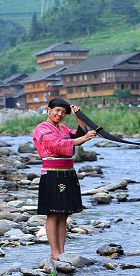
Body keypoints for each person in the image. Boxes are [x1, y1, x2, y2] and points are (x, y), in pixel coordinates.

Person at [33, 98, 96, 260]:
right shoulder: (42, 129)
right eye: (57, 110)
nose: (60, 114)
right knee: (53, 214)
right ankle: (54, 252)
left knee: (64, 214)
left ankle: (62, 251)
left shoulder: (63, 128)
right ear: (49, 110)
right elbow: (58, 145)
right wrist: (84, 138)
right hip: (52, 174)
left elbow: (79, 135)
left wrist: (78, 117)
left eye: (63, 112)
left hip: (67, 173)